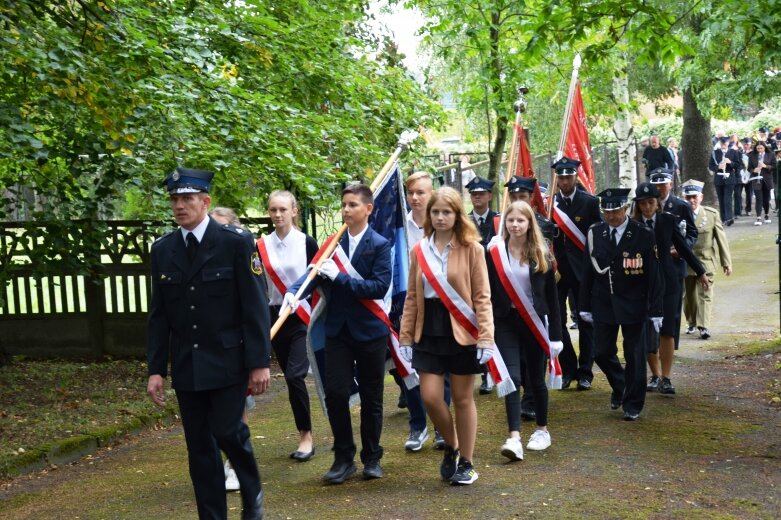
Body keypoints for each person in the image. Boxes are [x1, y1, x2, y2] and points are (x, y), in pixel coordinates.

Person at [147, 167, 269, 520]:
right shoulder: (164, 249)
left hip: (229, 359)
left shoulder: (235, 242)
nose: (179, 206)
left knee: (228, 431)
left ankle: (251, 488)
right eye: (174, 199)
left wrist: (259, 361)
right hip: (187, 362)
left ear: (205, 201)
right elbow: (159, 315)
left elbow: (255, 307)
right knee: (200, 448)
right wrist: (156, 369)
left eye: (187, 198)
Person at [287, 183, 391, 485]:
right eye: (344, 204)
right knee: (335, 394)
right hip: (338, 332)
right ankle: (343, 457)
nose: (346, 210)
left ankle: (372, 457)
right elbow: (311, 274)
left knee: (372, 396)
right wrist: (295, 294)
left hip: (370, 331)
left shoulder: (380, 244)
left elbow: (377, 288)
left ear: (368, 209)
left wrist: (341, 278)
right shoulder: (332, 243)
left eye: (353, 205)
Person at [398, 186, 494, 485]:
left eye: (446, 212)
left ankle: (467, 461)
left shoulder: (473, 248)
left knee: (464, 399)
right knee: (429, 397)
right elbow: (412, 298)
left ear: (456, 215)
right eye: (436, 212)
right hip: (429, 329)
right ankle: (451, 446)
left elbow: (482, 297)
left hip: (463, 329)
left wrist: (486, 337)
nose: (440, 217)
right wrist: (404, 337)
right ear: (429, 215)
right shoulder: (419, 250)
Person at [486, 201, 562, 460]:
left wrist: (556, 338)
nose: (515, 225)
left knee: (535, 379)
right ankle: (514, 437)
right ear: (504, 223)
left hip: (535, 323)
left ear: (530, 223)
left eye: (520, 220)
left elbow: (553, 299)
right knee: (512, 379)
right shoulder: (494, 253)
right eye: (511, 220)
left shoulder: (541, 253)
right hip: (506, 322)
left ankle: (542, 429)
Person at [579, 188, 663, 421]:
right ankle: (621, 386)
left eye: (615, 211)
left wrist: (656, 309)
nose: (611, 216)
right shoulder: (596, 232)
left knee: (635, 355)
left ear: (625, 209)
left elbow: (653, 274)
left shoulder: (642, 233)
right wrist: (583, 305)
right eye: (606, 212)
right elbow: (588, 270)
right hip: (603, 302)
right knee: (601, 352)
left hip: (634, 303)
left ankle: (633, 403)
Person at [257, 191, 318, 462]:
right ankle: (302, 429)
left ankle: (306, 435)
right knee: (290, 374)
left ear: (294, 211)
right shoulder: (260, 246)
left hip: (301, 316)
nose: (278, 215)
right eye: (273, 210)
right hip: (274, 316)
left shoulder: (306, 242)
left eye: (283, 209)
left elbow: (317, 279)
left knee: (294, 375)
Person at [631, 182, 708, 396]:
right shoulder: (633, 225)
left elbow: (683, 246)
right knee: (648, 329)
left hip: (668, 281)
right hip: (643, 284)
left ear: (657, 203)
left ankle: (666, 377)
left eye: (651, 202)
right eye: (643, 203)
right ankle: (654, 375)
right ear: (637, 205)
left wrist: (700, 271)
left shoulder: (667, 221)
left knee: (667, 330)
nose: (647, 207)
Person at [400, 171, 451, 451]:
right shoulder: (399, 226)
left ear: (432, 194)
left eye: (421, 192)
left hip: (437, 304)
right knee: (407, 368)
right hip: (406, 303)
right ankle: (417, 424)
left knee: (439, 369)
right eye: (411, 193)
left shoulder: (442, 225)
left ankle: (442, 428)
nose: (415, 198)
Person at [208, 206, 256, 493]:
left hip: (235, 349)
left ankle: (235, 465)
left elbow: (252, 307)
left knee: (237, 415)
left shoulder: (241, 254)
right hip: (207, 352)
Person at [550, 157, 602, 391]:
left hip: (583, 272)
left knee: (585, 321)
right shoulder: (549, 204)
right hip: (558, 273)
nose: (564, 181)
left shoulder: (590, 202)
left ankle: (585, 372)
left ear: (575, 177)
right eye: (560, 177)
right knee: (558, 322)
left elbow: (599, 236)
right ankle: (567, 369)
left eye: (568, 176)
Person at [647, 168, 698, 351]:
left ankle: (670, 345)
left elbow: (692, 232)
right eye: (656, 184)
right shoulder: (645, 205)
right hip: (651, 264)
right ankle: (653, 345)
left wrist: (682, 249)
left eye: (663, 184)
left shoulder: (681, 206)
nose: (660, 188)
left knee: (673, 308)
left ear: (670, 184)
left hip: (674, 264)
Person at [681, 180, 732, 340]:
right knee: (689, 296)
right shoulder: (678, 214)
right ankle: (692, 321)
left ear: (701, 197)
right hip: (686, 262)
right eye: (688, 197)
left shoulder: (711, 215)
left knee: (706, 292)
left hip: (706, 261)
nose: (691, 200)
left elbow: (721, 239)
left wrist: (726, 262)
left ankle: (703, 326)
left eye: (694, 197)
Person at [466, 175, 498, 394]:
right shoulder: (464, 222)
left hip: (497, 280)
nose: (477, 197)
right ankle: (486, 373)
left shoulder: (499, 220)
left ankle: (499, 370)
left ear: (489, 195)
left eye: (481, 194)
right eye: (473, 194)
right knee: (478, 326)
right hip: (473, 281)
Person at [709, 136, 740, 226]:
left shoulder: (733, 152)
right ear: (720, 143)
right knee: (721, 199)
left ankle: (729, 218)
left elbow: (738, 165)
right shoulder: (715, 153)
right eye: (722, 143)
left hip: (729, 179)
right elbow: (711, 166)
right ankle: (723, 219)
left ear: (728, 144)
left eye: (725, 143)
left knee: (728, 199)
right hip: (719, 179)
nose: (724, 145)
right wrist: (718, 167)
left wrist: (730, 162)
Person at [748, 141, 777, 225]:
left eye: (761, 148)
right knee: (758, 199)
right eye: (758, 148)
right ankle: (758, 217)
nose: (759, 150)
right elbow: (749, 168)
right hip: (756, 179)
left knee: (766, 199)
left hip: (767, 179)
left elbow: (774, 166)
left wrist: (766, 166)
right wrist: (754, 170)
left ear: (764, 147)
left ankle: (767, 215)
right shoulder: (752, 155)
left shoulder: (770, 154)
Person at [735, 138, 754, 217]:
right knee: (738, 194)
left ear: (750, 145)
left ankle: (748, 209)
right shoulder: (738, 152)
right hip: (740, 176)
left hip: (750, 175)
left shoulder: (753, 153)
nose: (746, 146)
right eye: (744, 144)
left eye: (747, 144)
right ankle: (738, 210)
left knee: (749, 194)